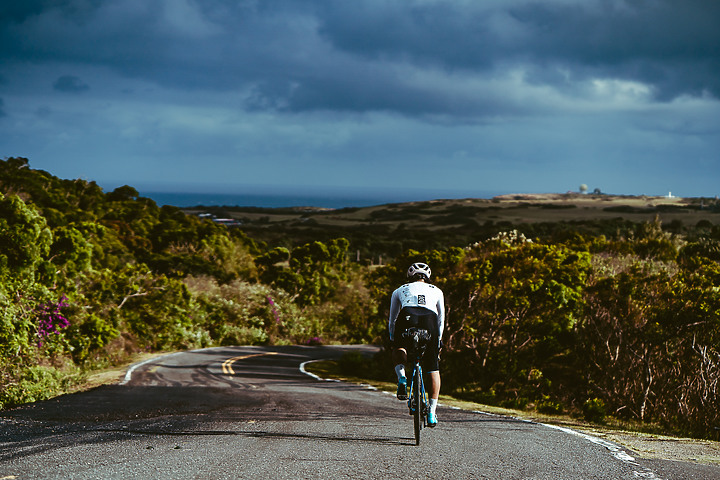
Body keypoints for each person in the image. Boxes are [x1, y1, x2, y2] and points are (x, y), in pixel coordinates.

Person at [388, 262, 445, 427]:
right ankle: (432, 412)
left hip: (407, 317)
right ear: (428, 277)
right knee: (433, 367)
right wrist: (438, 340)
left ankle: (402, 378)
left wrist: (393, 339)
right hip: (430, 320)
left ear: (409, 276)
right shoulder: (437, 291)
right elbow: (441, 319)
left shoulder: (400, 290)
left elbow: (392, 319)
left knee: (400, 348)